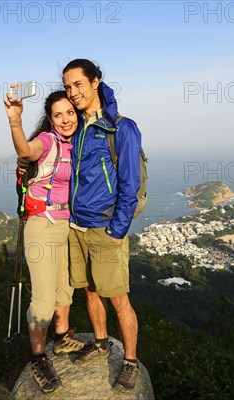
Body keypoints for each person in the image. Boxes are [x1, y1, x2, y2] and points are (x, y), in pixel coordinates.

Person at [62, 59, 142, 391]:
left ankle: (130, 361)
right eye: (67, 87)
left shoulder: (121, 127)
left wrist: (117, 231)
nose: (72, 92)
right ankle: (100, 343)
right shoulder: (74, 126)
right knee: (90, 290)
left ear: (95, 82)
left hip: (105, 228)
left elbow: (130, 185)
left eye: (78, 84)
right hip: (76, 226)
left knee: (118, 298)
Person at [4, 89, 85, 393]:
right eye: (58, 115)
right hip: (42, 224)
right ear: (50, 120)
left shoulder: (76, 142)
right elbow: (26, 151)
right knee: (43, 297)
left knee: (65, 286)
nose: (65, 119)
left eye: (70, 113)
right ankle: (38, 357)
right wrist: (15, 121)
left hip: (67, 225)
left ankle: (62, 337)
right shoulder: (49, 141)